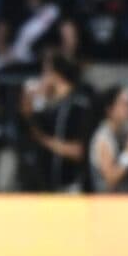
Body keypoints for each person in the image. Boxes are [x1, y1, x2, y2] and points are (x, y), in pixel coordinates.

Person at [18, 51, 93, 192]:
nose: (42, 78)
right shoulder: (51, 106)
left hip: (71, 188)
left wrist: (43, 140)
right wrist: (29, 115)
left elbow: (79, 151)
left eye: (44, 73)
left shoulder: (79, 104)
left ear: (55, 74)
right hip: (47, 189)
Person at [89, 86, 128, 193]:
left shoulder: (124, 132)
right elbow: (111, 178)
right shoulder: (103, 138)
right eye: (125, 104)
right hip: (110, 205)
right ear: (110, 110)